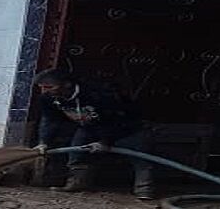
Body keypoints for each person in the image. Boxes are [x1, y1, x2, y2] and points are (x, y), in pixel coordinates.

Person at [33, 69, 158, 200]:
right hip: (90, 128)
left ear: (67, 84)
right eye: (42, 88)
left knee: (141, 158)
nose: (44, 91)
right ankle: (78, 183)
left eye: (49, 87)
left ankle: (144, 190)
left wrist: (105, 142)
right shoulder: (48, 99)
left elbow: (118, 118)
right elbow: (50, 121)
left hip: (129, 128)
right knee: (77, 153)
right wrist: (44, 142)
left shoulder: (99, 93)